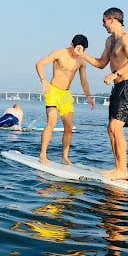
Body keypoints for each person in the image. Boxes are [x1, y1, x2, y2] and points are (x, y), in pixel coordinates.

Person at [74, 7, 128, 180]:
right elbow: (101, 63)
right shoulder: (110, 41)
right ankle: (117, 167)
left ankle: (123, 170)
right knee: (110, 129)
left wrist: (115, 74)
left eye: (104, 21)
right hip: (118, 87)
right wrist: (83, 55)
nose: (102, 24)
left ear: (112, 19)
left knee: (115, 127)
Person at [35, 34, 95, 165]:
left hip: (65, 95)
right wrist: (44, 81)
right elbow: (39, 64)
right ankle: (42, 155)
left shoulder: (81, 60)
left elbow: (83, 80)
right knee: (52, 122)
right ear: (72, 44)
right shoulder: (60, 53)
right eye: (77, 49)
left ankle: (64, 157)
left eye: (82, 50)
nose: (78, 53)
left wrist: (88, 96)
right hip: (52, 91)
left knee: (68, 127)